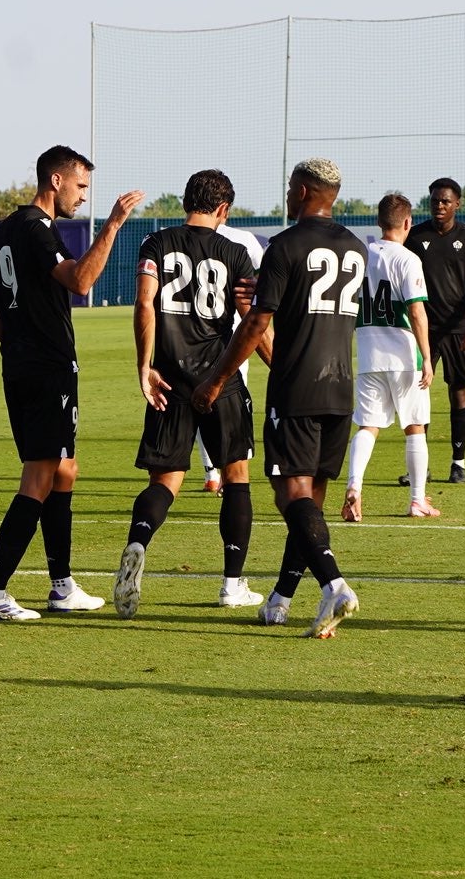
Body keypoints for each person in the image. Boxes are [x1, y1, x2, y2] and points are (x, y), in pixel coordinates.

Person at [192, 157, 365, 638]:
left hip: (297, 384)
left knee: (290, 493)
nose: (287, 194)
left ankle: (334, 584)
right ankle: (281, 600)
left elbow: (256, 324)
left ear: (307, 191)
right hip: (341, 386)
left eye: (291, 187)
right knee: (312, 500)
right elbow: (313, 305)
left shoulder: (285, 245)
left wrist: (215, 379)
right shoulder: (355, 247)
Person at [0, 145, 144, 622]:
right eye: (82, 185)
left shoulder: (6, 229)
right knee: (40, 474)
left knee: (64, 469)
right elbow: (81, 280)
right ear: (56, 180)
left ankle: (62, 585)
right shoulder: (36, 228)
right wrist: (112, 226)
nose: (85, 196)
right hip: (46, 368)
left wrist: (22, 344)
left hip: (23, 365)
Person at [112, 170, 270, 620]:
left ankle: (138, 543)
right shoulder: (235, 253)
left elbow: (145, 304)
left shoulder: (156, 244)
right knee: (236, 475)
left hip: (168, 379)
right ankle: (233, 584)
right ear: (223, 210)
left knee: (164, 481)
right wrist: (281, 364)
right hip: (220, 379)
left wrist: (145, 366)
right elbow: (251, 321)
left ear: (185, 201)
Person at [341, 193, 438, 523]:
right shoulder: (407, 259)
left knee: (367, 427)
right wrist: (427, 357)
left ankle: (354, 486)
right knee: (414, 427)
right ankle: (417, 500)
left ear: (379, 222)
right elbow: (416, 310)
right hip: (402, 355)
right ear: (408, 222)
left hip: (368, 352)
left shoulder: (360, 255)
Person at [403, 177, 465, 484]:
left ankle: (458, 462)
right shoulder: (415, 236)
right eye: (435, 200)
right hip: (423, 329)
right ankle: (419, 467)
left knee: (458, 393)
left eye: (445, 201)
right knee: (417, 395)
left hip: (459, 329)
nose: (439, 206)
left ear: (457, 204)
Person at [195, 221, 265, 494]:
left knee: (201, 401)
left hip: (194, 337)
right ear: (225, 208)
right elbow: (266, 275)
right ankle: (230, 473)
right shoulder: (242, 238)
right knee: (233, 406)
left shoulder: (185, 237)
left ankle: (211, 473)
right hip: (235, 336)